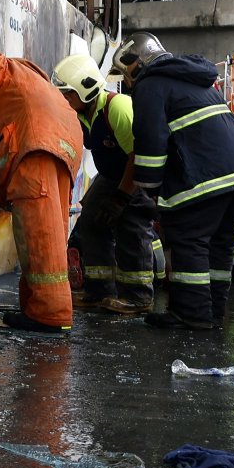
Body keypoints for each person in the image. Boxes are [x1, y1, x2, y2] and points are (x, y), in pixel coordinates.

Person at [117, 31, 234, 330]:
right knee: (220, 247)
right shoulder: (196, 80)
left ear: (136, 63)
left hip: (206, 176)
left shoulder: (151, 85)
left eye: (126, 74)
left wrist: (148, 191)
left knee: (190, 240)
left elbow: (150, 142)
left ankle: (193, 315)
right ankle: (212, 313)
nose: (128, 82)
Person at [0, 25, 82, 332]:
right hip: (55, 150)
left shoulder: (1, 80)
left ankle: (50, 316)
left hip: (40, 153)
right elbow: (2, 180)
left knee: (39, 239)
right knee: (42, 237)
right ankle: (37, 311)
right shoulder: (22, 107)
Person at [51, 53, 157, 314]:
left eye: (68, 93)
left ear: (85, 91)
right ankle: (99, 292)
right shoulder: (84, 114)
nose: (64, 99)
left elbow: (137, 155)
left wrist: (121, 198)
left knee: (131, 228)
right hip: (111, 176)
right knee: (91, 221)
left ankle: (138, 297)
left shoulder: (117, 107)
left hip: (137, 176)